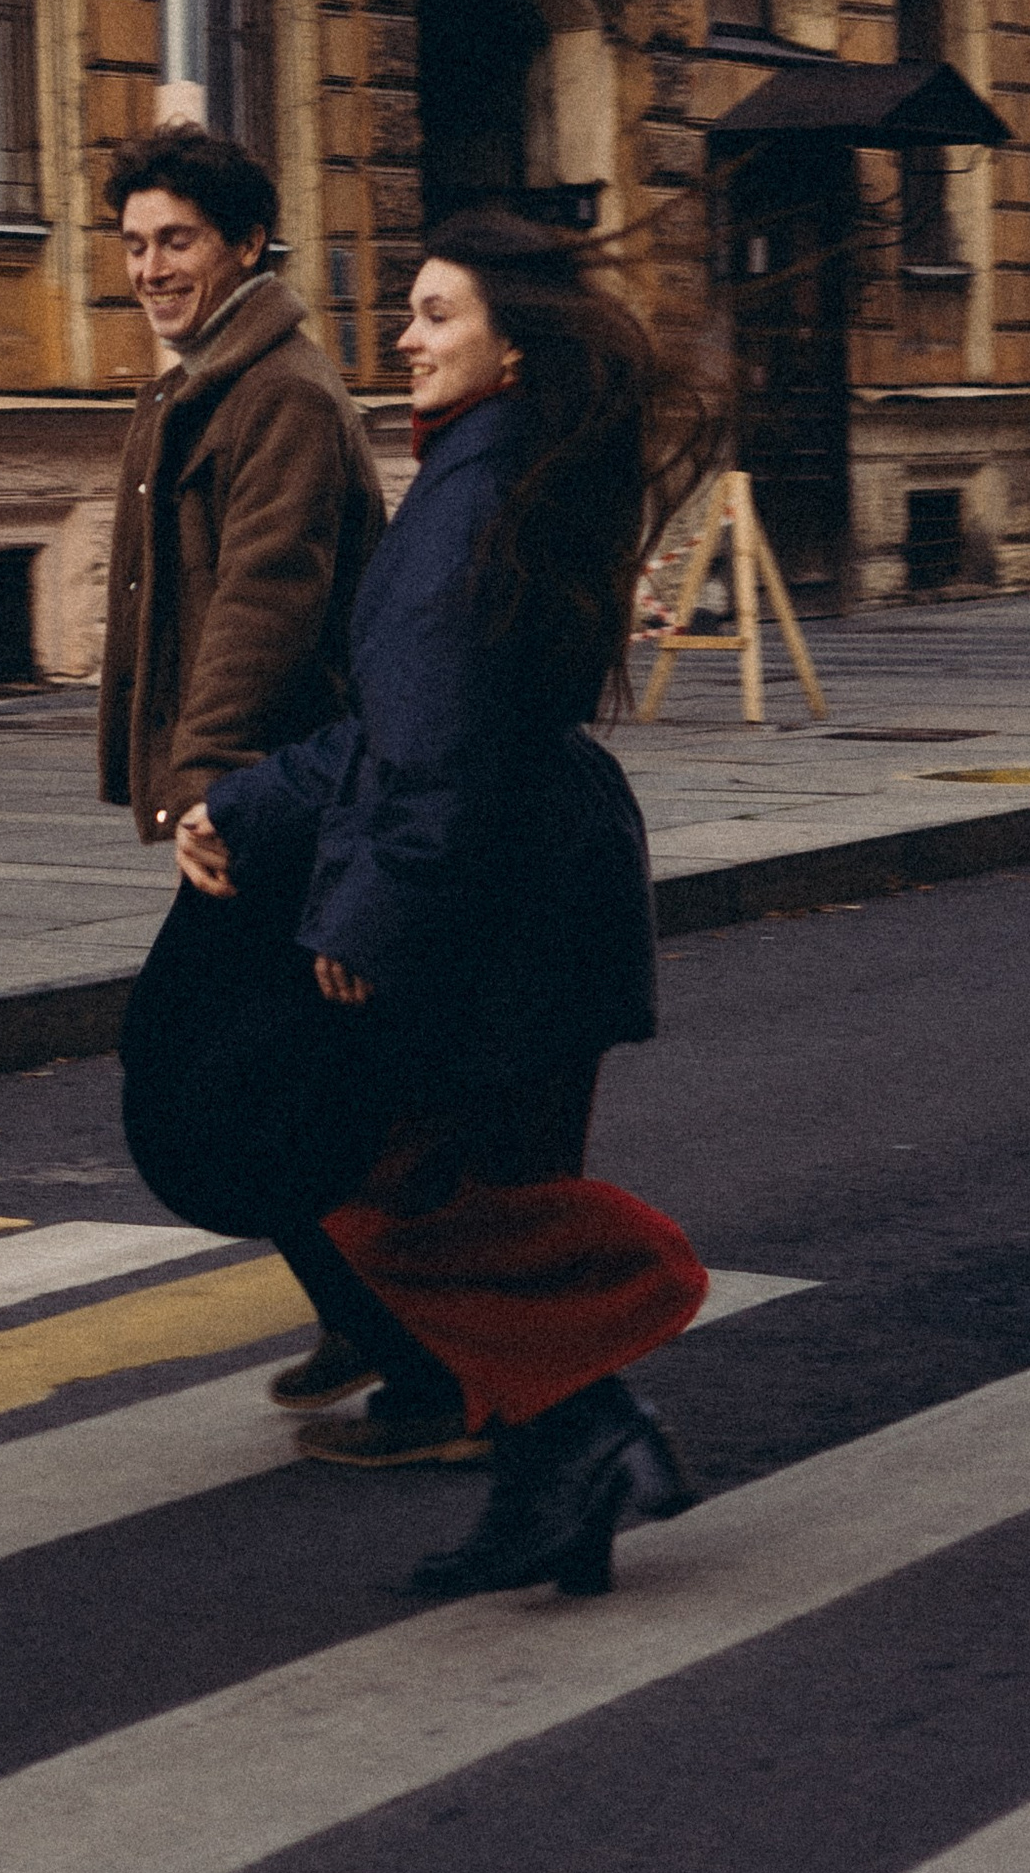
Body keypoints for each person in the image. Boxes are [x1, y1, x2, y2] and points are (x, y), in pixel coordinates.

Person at [139, 209, 714, 1601]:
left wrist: (367, 919)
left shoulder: (473, 492)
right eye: (410, 311)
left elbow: (431, 745)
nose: (404, 337)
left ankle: (607, 1378)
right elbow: (408, 722)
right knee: (470, 1186)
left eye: (437, 313)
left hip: (489, 902)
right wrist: (250, 804)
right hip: (534, 885)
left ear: (514, 348)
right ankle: (561, 1480)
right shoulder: (504, 464)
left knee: (392, 1196)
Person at [95, 129, 426, 1432]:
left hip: (282, 798)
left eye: (176, 239)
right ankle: (365, 1316)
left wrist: (211, 783)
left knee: (210, 1074)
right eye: (133, 244)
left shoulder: (276, 391)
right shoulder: (208, 379)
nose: (150, 267)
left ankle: (412, 1338)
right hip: (262, 796)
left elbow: (266, 596)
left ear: (243, 244)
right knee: (251, 1078)